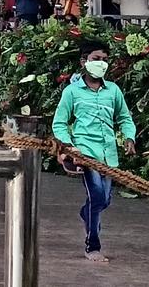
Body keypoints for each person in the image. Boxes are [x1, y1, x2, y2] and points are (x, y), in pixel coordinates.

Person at [52, 41, 137, 263]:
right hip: (85, 153)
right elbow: (60, 123)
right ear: (84, 61)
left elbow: (124, 118)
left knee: (104, 200)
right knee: (97, 196)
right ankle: (93, 247)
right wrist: (69, 145)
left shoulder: (113, 91)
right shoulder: (72, 92)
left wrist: (129, 137)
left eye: (105, 60)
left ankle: (87, 213)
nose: (101, 64)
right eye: (96, 59)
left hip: (108, 154)